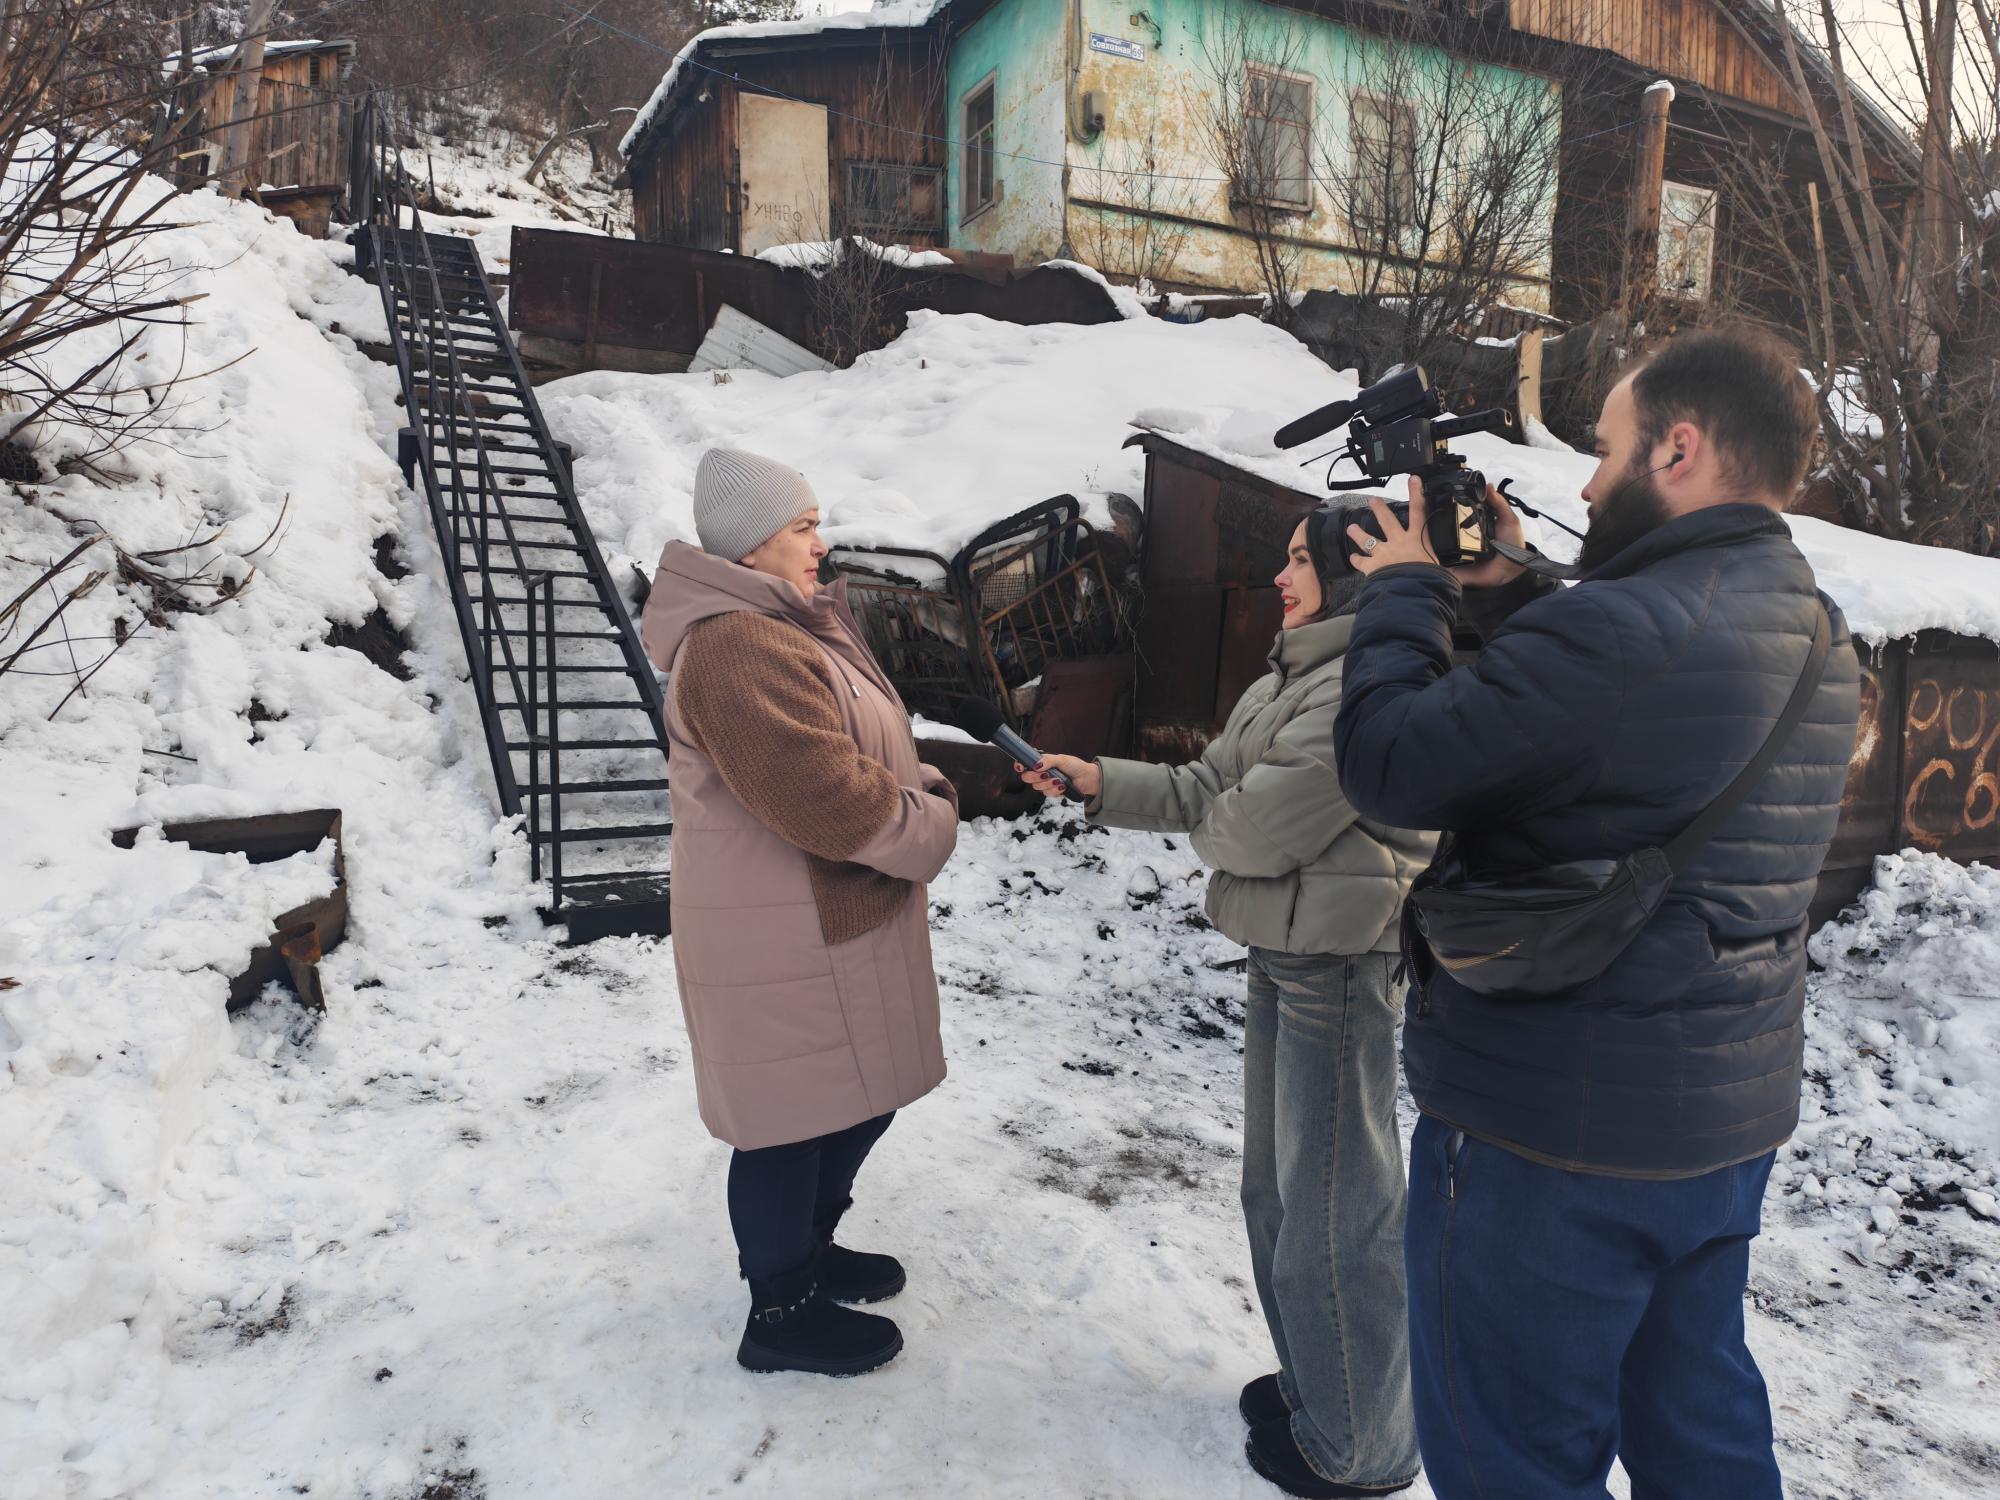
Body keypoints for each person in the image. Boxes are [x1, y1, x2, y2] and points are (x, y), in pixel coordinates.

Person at [1333, 326, 1862, 1498]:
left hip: (1551, 1135)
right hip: (1715, 1123)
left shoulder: (1617, 633)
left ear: (1676, 449)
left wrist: (1404, 594)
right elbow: (1634, 734)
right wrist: (1518, 588)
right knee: (1696, 1431)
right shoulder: (1813, 629)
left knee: (1510, 1458)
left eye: (1607, 448)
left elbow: (1387, 764)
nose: (1580, 479)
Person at [1022, 513, 1435, 1499]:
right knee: (1281, 1198)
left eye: (1301, 558)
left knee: (1338, 1213)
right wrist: (1097, 780)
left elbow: (1247, 831)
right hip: (1285, 953)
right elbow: (1213, 788)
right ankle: (1318, 1388)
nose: (1280, 573)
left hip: (1337, 966)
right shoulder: (1288, 677)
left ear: (1349, 573)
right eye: (1284, 553)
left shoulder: (1364, 684)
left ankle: (1366, 1445)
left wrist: (1222, 815)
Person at [639, 446, 960, 1378]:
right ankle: (779, 1311)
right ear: (750, 546)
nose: (822, 542)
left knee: (849, 1106)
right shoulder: (739, 641)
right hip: (784, 930)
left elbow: (859, 750)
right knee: (786, 1125)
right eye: (803, 526)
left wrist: (919, 781)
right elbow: (827, 798)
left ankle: (808, 1258)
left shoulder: (784, 623)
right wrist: (929, 825)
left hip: (826, 919)